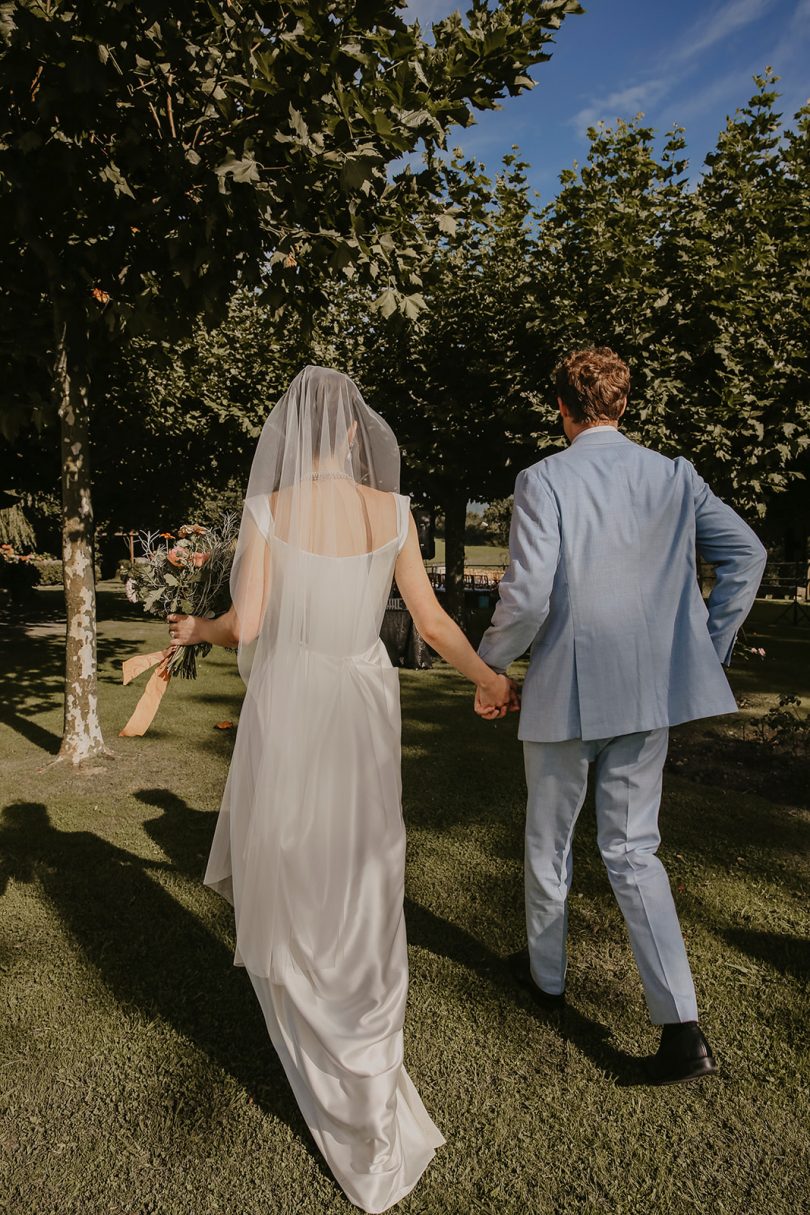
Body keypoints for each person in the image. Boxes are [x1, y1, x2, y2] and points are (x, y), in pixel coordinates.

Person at [166, 365, 516, 1212]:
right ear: (356, 433)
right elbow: (430, 621)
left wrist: (196, 628)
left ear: (293, 436)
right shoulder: (390, 510)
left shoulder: (269, 509)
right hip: (362, 701)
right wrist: (488, 676)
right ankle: (365, 1044)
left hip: (292, 698)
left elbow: (246, 625)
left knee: (295, 858)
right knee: (366, 867)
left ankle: (320, 1026)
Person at [475, 347, 767, 1085]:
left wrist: (490, 664)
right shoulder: (675, 475)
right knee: (635, 851)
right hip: (647, 695)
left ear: (562, 409)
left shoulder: (543, 478)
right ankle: (683, 1032)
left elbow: (530, 594)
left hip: (567, 692)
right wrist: (706, 645)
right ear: (624, 405)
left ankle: (545, 980)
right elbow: (749, 555)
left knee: (549, 844)